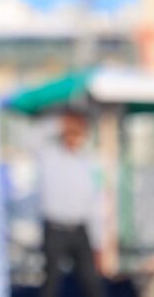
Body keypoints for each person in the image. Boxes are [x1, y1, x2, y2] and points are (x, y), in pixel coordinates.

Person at [38, 110, 104, 297]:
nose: (75, 138)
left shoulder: (88, 162)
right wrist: (58, 124)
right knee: (51, 282)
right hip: (55, 229)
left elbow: (94, 203)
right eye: (71, 133)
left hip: (80, 230)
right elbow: (32, 137)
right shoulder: (49, 156)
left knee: (91, 282)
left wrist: (98, 241)